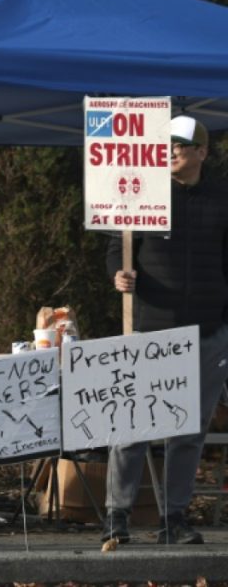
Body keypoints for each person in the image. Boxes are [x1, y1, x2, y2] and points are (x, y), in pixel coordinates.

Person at [104, 115, 228, 545]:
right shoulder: (143, 193)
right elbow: (116, 251)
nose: (171, 150)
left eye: (180, 143)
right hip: (149, 331)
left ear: (202, 152)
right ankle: (116, 517)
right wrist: (119, 275)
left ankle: (173, 520)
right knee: (131, 427)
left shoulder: (223, 197)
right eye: (166, 144)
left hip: (209, 333)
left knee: (188, 432)